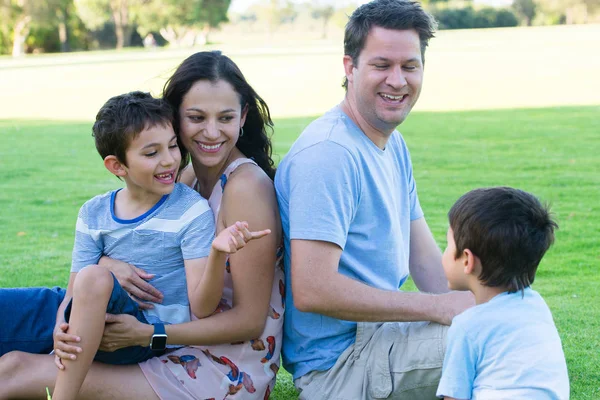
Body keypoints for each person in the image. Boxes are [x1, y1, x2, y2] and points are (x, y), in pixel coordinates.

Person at [0, 51, 283, 400]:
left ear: (242, 117)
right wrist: (106, 264)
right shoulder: (186, 175)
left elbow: (251, 322)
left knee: (13, 371)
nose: (211, 132)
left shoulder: (245, 187)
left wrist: (149, 335)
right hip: (139, 313)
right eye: (196, 117)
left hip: (213, 364)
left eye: (225, 117)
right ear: (174, 117)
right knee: (11, 314)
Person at [274, 0, 473, 398]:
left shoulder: (391, 143)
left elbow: (423, 261)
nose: (397, 81)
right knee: (489, 343)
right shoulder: (329, 154)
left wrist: (480, 302)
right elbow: (314, 289)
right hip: (340, 365)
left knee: (510, 317)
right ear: (350, 67)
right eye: (382, 66)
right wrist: (439, 309)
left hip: (384, 336)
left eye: (409, 66)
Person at [49, 91, 270, 400]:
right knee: (14, 317)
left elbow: (203, 308)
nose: (169, 160)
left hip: (139, 334)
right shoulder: (93, 212)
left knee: (15, 369)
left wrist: (217, 255)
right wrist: (61, 325)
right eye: (153, 152)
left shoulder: (191, 207)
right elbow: (73, 292)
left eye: (172, 147)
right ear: (117, 166)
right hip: (92, 313)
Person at [436, 187, 569, 399]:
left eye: (447, 245)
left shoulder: (467, 326)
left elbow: (454, 396)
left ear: (467, 261)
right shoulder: (537, 306)